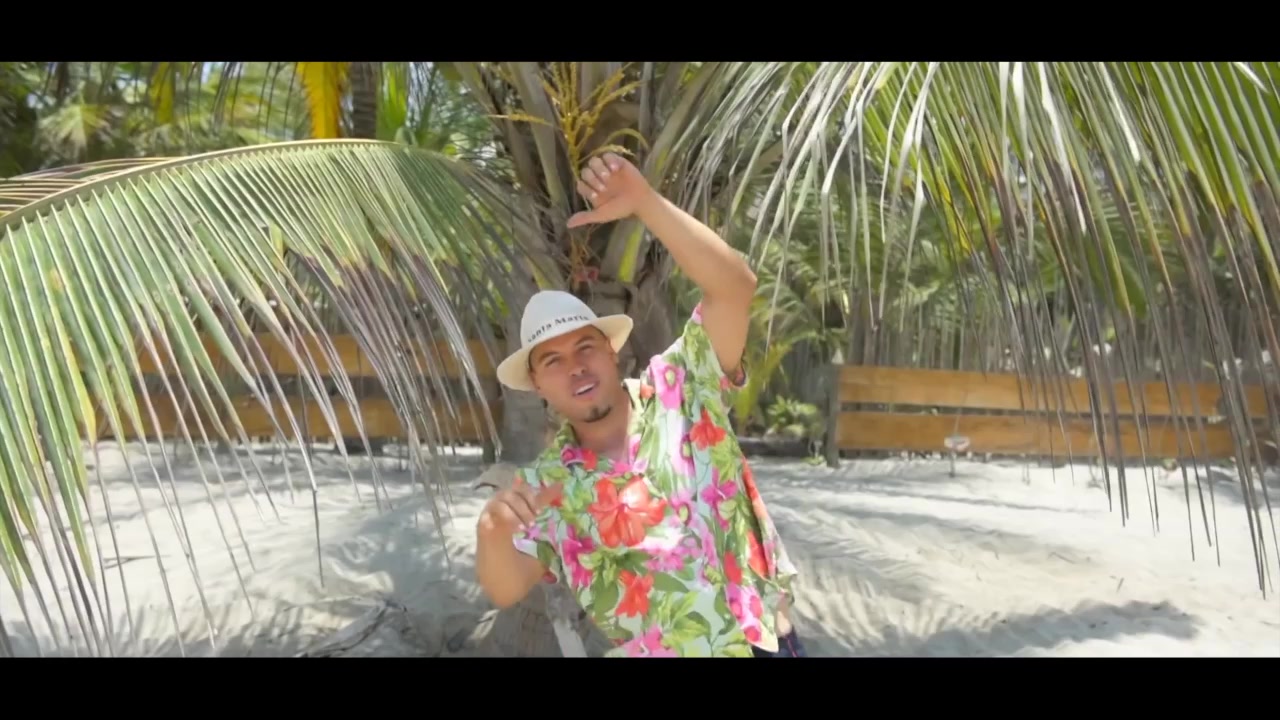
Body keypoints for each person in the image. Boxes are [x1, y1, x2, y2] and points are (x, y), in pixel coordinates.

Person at [474, 152, 804, 658]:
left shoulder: (683, 384)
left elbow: (735, 287)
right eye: (553, 361)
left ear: (612, 351)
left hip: (767, 643)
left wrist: (645, 203)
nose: (576, 367)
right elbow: (506, 588)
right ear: (537, 385)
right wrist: (493, 533)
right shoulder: (546, 487)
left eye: (586, 347)